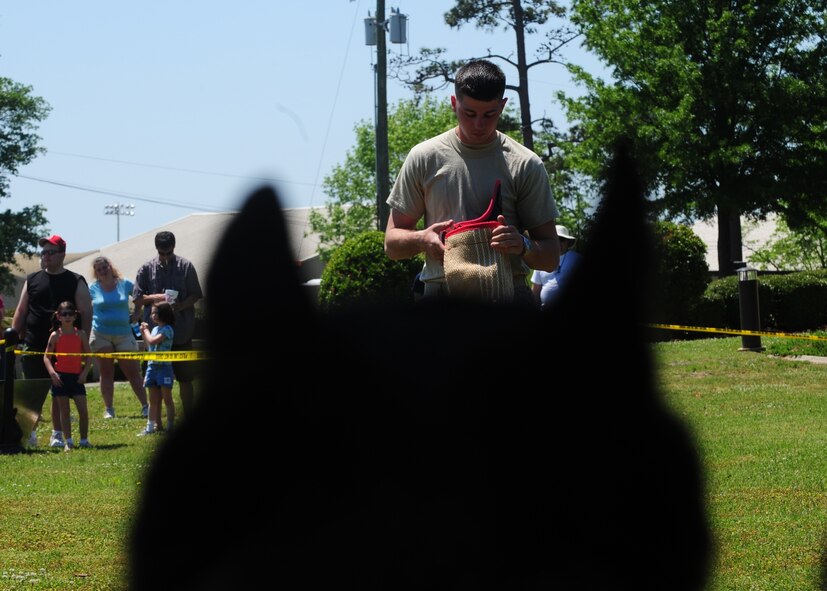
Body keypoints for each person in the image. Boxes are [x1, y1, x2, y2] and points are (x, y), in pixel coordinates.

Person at [384, 59, 560, 305]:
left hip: (507, 298)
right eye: (469, 113)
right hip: (442, 297)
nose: (479, 124)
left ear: (502, 106)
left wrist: (522, 244)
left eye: (489, 114)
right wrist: (422, 238)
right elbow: (392, 244)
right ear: (454, 103)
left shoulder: (525, 163)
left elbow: (551, 257)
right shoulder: (424, 157)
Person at [12, 234, 92, 448]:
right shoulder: (32, 279)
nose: (46, 256)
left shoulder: (76, 280)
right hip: (34, 344)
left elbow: (86, 312)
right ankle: (29, 433)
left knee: (59, 393)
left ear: (62, 255)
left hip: (65, 347)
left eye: (51, 252)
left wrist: (82, 346)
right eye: (43, 252)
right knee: (30, 393)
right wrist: (12, 335)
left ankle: (57, 434)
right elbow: (21, 310)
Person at [132, 231, 203, 418]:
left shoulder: (185, 266)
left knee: (185, 378)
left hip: (181, 332)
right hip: (156, 335)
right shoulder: (146, 268)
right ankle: (156, 421)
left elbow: (196, 293)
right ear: (156, 249)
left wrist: (181, 305)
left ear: (174, 247)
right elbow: (138, 298)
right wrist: (159, 298)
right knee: (154, 381)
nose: (165, 257)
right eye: (161, 253)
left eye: (168, 252)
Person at [89, 256, 149, 419]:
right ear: (96, 272)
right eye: (98, 269)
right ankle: (109, 409)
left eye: (104, 267)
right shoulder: (92, 288)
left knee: (133, 372)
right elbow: (85, 309)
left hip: (124, 333)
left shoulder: (125, 284)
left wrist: (137, 313)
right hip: (101, 333)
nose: (102, 271)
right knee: (106, 371)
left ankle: (146, 406)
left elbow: (139, 297)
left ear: (110, 266)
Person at [42, 301, 92, 451]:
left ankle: (84, 440)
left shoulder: (81, 334)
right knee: (65, 411)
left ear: (75, 316)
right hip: (61, 377)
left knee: (83, 410)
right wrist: (52, 373)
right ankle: (68, 442)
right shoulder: (55, 335)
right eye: (64, 314)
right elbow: (46, 357)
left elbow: (89, 357)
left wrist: (84, 373)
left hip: (77, 377)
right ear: (59, 317)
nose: (67, 317)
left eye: (71, 314)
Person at [137, 303, 175, 436]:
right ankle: (150, 428)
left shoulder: (167, 329)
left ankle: (170, 425)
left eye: (155, 313)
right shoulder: (153, 330)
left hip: (164, 368)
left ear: (164, 314)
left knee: (167, 398)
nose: (152, 316)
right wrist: (143, 332)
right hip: (152, 367)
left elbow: (153, 341)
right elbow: (149, 346)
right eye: (152, 313)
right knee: (152, 400)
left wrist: (146, 331)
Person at [531, 225, 583, 309]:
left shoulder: (577, 259)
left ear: (568, 242)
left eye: (562, 239)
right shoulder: (541, 260)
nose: (558, 242)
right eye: (555, 239)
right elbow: (536, 291)